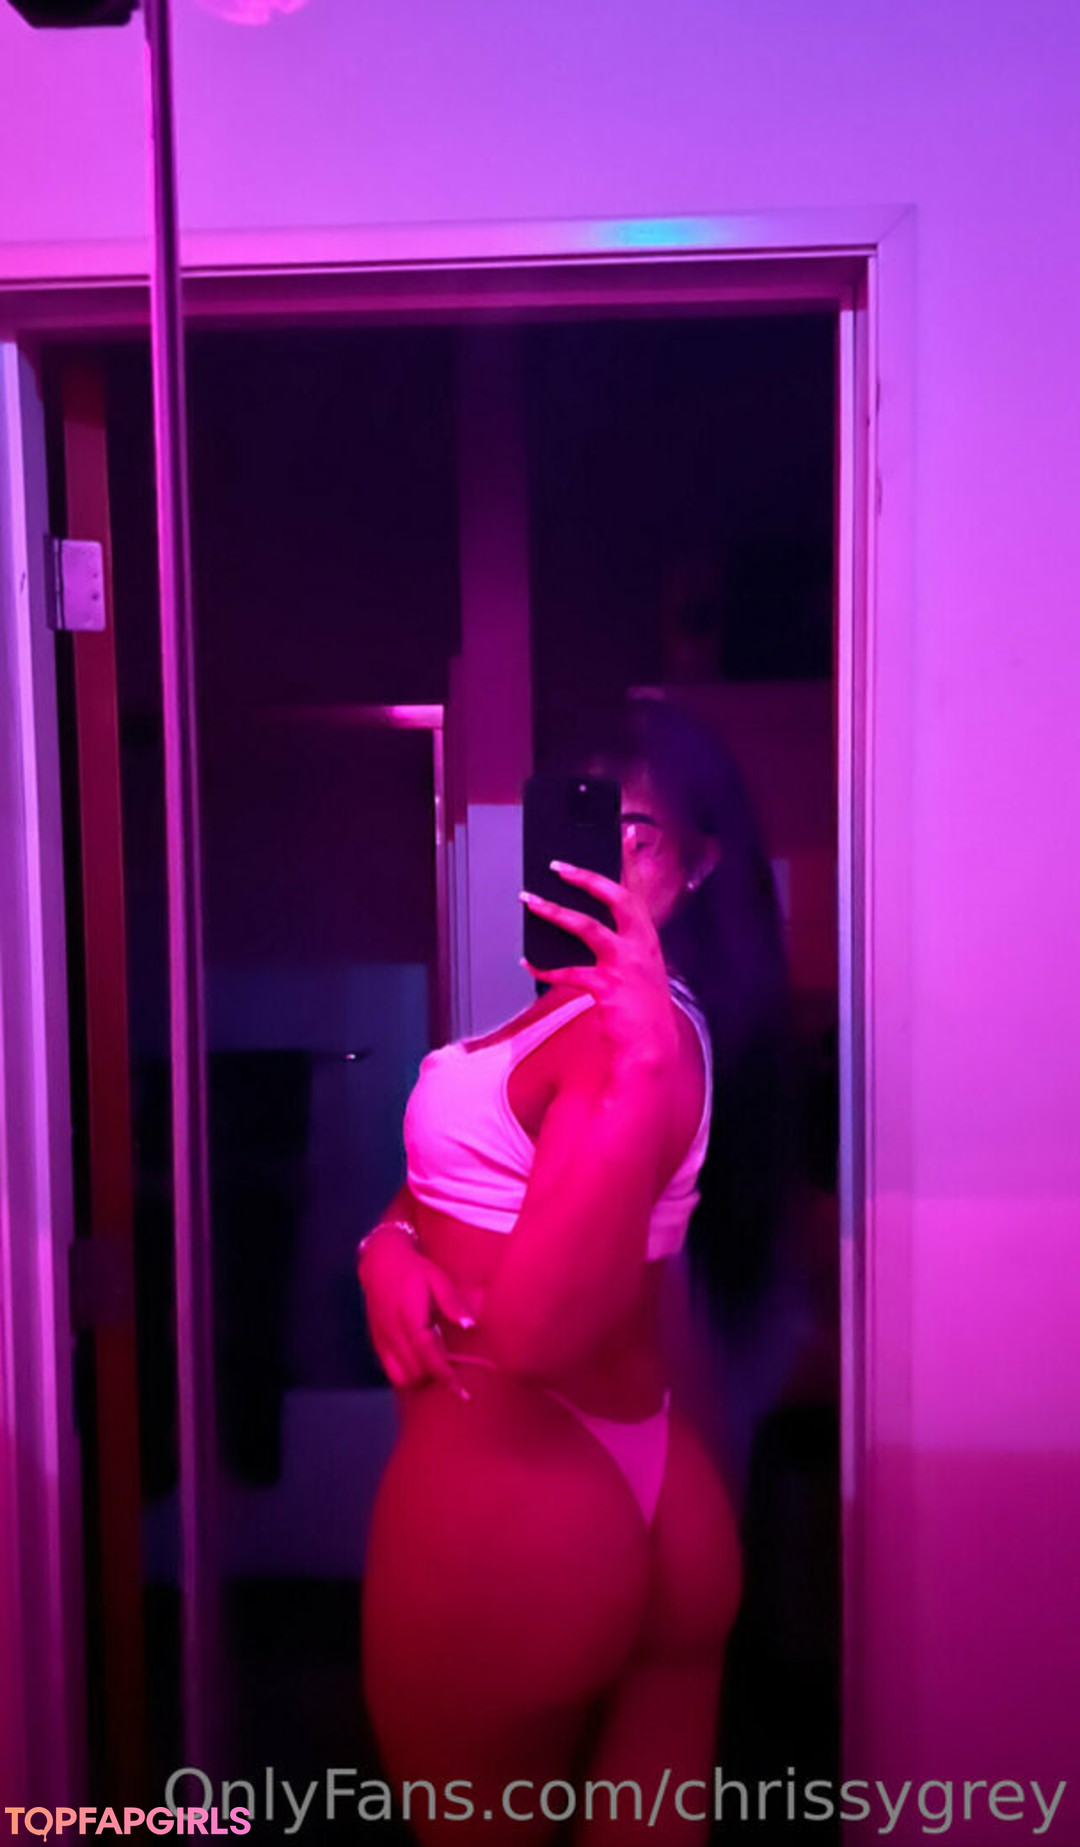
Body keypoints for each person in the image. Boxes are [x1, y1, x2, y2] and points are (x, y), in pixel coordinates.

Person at [356, 696, 799, 1845]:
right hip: (658, 1491)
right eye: (582, 818)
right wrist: (386, 1242)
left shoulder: (633, 1036)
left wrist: (639, 1073)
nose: (600, 855)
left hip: (521, 1497)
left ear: (699, 864)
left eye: (636, 832)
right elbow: (471, 1186)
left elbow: (536, 1330)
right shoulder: (597, 1019)